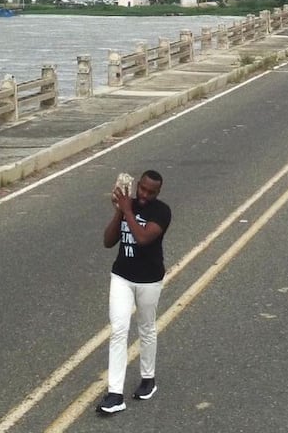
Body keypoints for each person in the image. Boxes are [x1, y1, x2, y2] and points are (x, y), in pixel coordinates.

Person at [97, 169, 171, 416]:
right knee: (119, 330)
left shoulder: (161, 212)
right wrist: (119, 210)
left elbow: (143, 238)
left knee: (146, 327)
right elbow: (108, 241)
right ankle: (115, 394)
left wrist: (127, 210)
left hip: (149, 280)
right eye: (143, 189)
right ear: (138, 185)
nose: (145, 195)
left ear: (158, 192)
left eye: (151, 192)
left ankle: (148, 379)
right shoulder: (128, 205)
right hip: (122, 277)